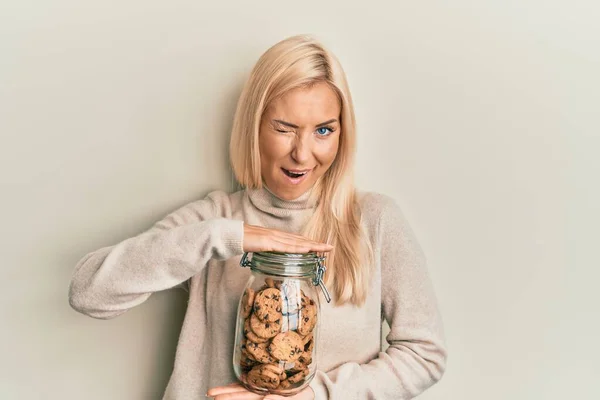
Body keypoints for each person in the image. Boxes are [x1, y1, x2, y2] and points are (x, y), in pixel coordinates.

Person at [68, 34, 447, 400]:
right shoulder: (217, 219)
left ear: (341, 134)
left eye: (323, 130)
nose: (302, 153)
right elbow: (89, 292)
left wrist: (316, 396)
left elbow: (424, 355)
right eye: (284, 129)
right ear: (255, 126)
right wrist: (225, 238)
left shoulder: (374, 220)